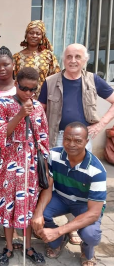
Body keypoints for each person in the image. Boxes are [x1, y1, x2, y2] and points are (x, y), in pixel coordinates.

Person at [38, 43, 114, 245]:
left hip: (81, 139)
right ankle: (55, 230)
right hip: (55, 137)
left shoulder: (92, 80)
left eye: (77, 57)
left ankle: (73, 228)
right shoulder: (51, 81)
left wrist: (101, 124)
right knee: (53, 182)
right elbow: (40, 110)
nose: (73, 60)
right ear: (63, 58)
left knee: (78, 185)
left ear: (85, 60)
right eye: (69, 56)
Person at [0, 67, 49, 266]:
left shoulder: (38, 107)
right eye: (25, 88)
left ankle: (28, 246)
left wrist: (45, 162)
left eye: (33, 90)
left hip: (31, 163)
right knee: (9, 205)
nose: (29, 93)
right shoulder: (3, 103)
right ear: (16, 84)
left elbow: (43, 136)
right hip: (9, 162)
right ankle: (8, 246)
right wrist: (19, 115)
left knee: (28, 206)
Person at [32, 122, 106, 266]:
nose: (71, 144)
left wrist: (58, 230)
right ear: (63, 138)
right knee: (37, 214)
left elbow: (94, 213)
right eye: (67, 139)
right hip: (61, 197)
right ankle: (58, 241)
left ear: (86, 141)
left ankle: (86, 249)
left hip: (85, 205)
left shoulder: (97, 171)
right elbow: (48, 188)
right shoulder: (54, 155)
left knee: (91, 234)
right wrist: (38, 213)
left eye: (78, 140)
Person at [13, 20, 60, 99]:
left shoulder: (49, 56)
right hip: (22, 100)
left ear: (42, 36)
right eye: (31, 33)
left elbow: (56, 78)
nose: (34, 36)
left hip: (44, 100)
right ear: (26, 35)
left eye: (38, 34)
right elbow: (13, 80)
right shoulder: (17, 57)